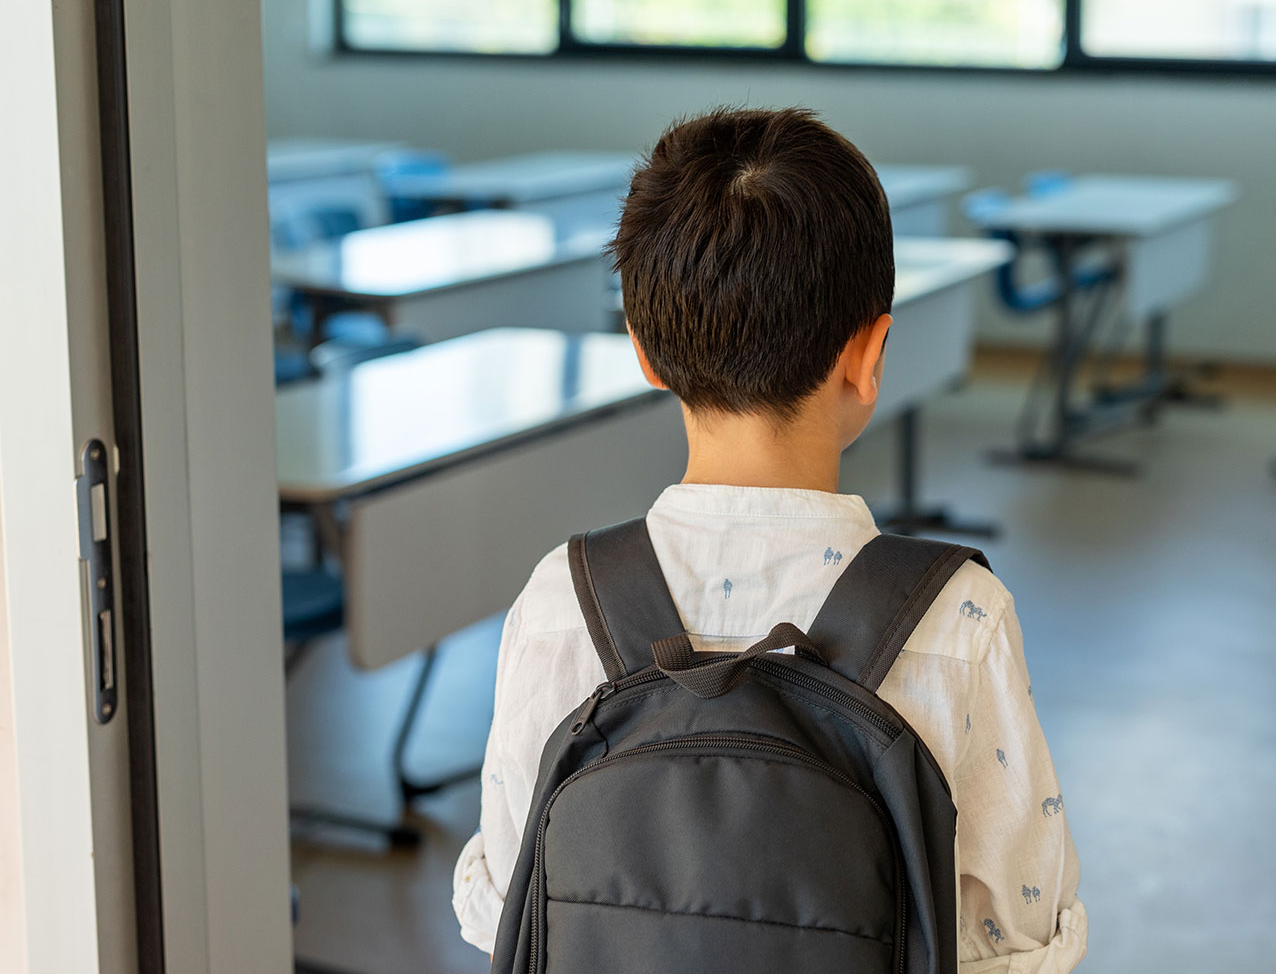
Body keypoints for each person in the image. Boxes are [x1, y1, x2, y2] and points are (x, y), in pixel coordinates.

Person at [452, 106, 1087, 971]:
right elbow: (1015, 941)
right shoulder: (956, 622)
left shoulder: (565, 598)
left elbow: (506, 913)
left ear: (643, 352)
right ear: (869, 356)